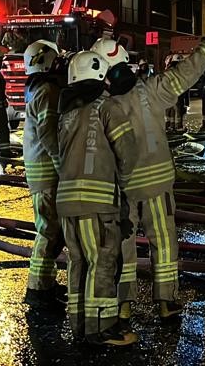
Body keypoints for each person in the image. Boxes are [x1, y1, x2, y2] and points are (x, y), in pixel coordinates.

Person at [92, 29, 205, 323]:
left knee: (122, 247)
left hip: (123, 189)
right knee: (163, 244)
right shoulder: (152, 90)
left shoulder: (102, 106)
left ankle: (123, 306)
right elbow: (188, 71)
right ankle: (166, 302)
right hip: (158, 187)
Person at [57, 51, 139, 346]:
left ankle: (79, 325)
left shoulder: (66, 112)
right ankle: (103, 328)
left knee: (77, 263)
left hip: (66, 202)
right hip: (99, 203)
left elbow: (59, 156)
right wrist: (125, 194)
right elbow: (128, 153)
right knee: (102, 262)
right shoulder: (108, 106)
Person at [21, 40, 67, 309]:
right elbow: (49, 134)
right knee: (49, 231)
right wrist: (65, 166)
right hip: (47, 173)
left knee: (52, 230)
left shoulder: (38, 88)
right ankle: (37, 289)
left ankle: (45, 283)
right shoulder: (48, 90)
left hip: (43, 171)